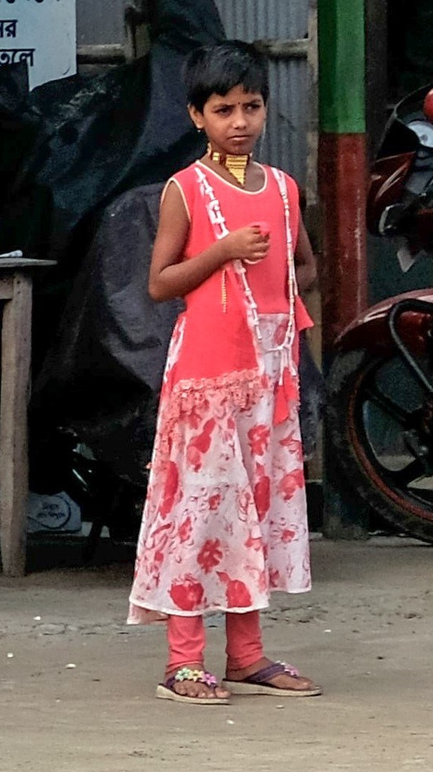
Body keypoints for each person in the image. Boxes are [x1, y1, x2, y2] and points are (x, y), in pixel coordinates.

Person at [134, 41, 323, 704]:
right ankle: (183, 659)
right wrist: (222, 252)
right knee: (202, 511)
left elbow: (304, 268)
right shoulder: (184, 190)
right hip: (207, 380)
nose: (239, 121)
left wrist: (279, 312)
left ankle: (248, 655)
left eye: (251, 106)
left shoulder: (282, 188)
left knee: (258, 510)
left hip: (269, 379)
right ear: (196, 115)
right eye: (223, 109)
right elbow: (161, 283)